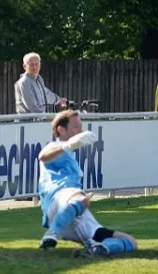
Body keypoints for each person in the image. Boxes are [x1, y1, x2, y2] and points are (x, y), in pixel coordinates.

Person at [38, 110, 137, 257]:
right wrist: (67, 145)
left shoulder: (68, 153)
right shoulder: (56, 148)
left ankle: (99, 248)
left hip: (73, 215)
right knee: (81, 198)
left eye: (81, 126)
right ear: (61, 129)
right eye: (76, 127)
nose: (81, 131)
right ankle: (52, 233)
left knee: (130, 241)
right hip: (58, 202)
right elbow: (43, 155)